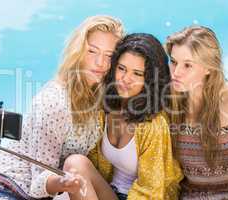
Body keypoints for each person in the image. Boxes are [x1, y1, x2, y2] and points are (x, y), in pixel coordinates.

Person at [0, 15, 124, 200]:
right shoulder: (55, 101)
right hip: (2, 189)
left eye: (109, 55)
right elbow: (37, 185)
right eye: (92, 51)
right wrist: (64, 183)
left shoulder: (98, 96)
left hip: (44, 191)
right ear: (78, 51)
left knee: (78, 162)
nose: (101, 63)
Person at [63, 33, 183, 200]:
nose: (126, 79)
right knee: (75, 163)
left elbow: (152, 191)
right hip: (108, 193)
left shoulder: (153, 124)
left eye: (137, 74)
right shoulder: (104, 110)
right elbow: (92, 166)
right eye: (122, 68)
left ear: (150, 79)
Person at [165, 25, 228, 199]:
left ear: (209, 68)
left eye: (187, 65)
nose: (176, 72)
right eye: (173, 62)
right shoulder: (167, 101)